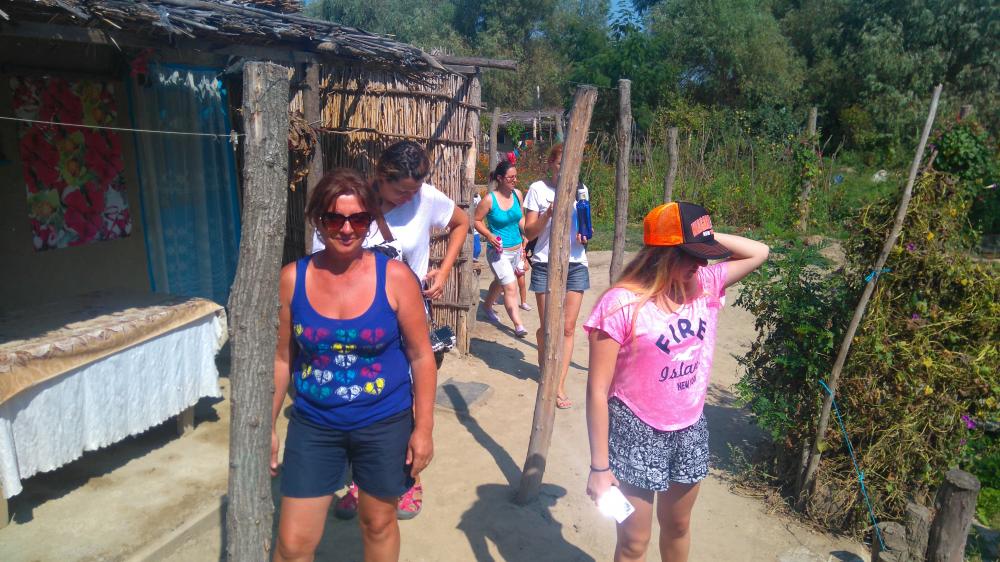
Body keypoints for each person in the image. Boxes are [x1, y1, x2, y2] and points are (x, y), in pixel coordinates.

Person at [583, 202, 769, 562]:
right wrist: (599, 467)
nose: (700, 264)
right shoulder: (621, 304)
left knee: (678, 527)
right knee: (634, 543)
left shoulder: (705, 284)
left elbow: (759, 252)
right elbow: (597, 391)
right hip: (635, 432)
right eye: (690, 255)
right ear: (661, 253)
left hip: (689, 429)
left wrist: (703, 236)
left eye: (704, 254)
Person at [271, 169, 436, 562]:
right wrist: (269, 426)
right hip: (315, 423)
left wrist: (424, 428)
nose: (346, 229)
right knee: (293, 544)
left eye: (358, 219)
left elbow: (421, 355)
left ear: (370, 221)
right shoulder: (292, 279)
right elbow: (282, 358)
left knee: (378, 523)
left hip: (384, 422)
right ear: (318, 220)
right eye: (334, 219)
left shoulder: (396, 278)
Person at [312, 141, 469, 519]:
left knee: (407, 400)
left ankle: (408, 478)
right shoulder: (350, 206)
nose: (409, 197)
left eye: (414, 190)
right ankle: (360, 479)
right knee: (359, 396)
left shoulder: (426, 198)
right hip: (356, 324)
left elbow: (461, 222)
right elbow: (321, 258)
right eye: (401, 190)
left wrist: (444, 270)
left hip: (407, 322)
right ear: (380, 177)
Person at [522, 143, 590, 409]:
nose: (566, 169)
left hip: (576, 263)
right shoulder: (538, 190)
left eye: (572, 163)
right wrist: (548, 214)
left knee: (568, 327)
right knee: (549, 327)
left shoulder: (582, 189)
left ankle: (558, 384)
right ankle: (545, 366)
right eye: (561, 163)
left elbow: (585, 227)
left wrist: (584, 235)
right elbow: (529, 232)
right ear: (551, 163)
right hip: (546, 263)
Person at [475, 160, 528, 337]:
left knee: (500, 281)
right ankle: (518, 325)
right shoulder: (489, 199)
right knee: (510, 286)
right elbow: (476, 220)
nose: (515, 180)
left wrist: (527, 232)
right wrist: (489, 235)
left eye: (516, 177)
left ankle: (487, 306)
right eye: (510, 177)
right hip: (498, 252)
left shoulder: (517, 195)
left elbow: (520, 218)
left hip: (516, 249)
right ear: (500, 178)